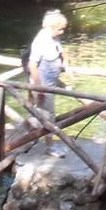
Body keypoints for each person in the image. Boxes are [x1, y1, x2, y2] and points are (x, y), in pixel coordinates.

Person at [27, 9, 73, 157]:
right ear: (51, 27)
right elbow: (32, 65)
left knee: (40, 113)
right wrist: (39, 88)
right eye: (60, 29)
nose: (62, 32)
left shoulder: (54, 38)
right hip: (43, 85)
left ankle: (31, 133)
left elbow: (62, 51)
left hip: (52, 82)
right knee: (48, 116)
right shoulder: (40, 41)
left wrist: (66, 64)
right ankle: (49, 147)